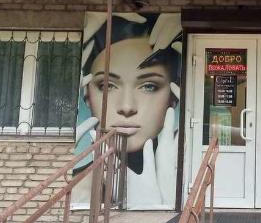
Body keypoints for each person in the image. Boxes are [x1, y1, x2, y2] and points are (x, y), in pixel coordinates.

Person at [74, 13, 182, 210]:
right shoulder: (76, 193)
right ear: (86, 94)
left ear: (173, 97)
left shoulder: (191, 176)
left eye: (148, 86)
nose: (126, 107)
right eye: (107, 86)